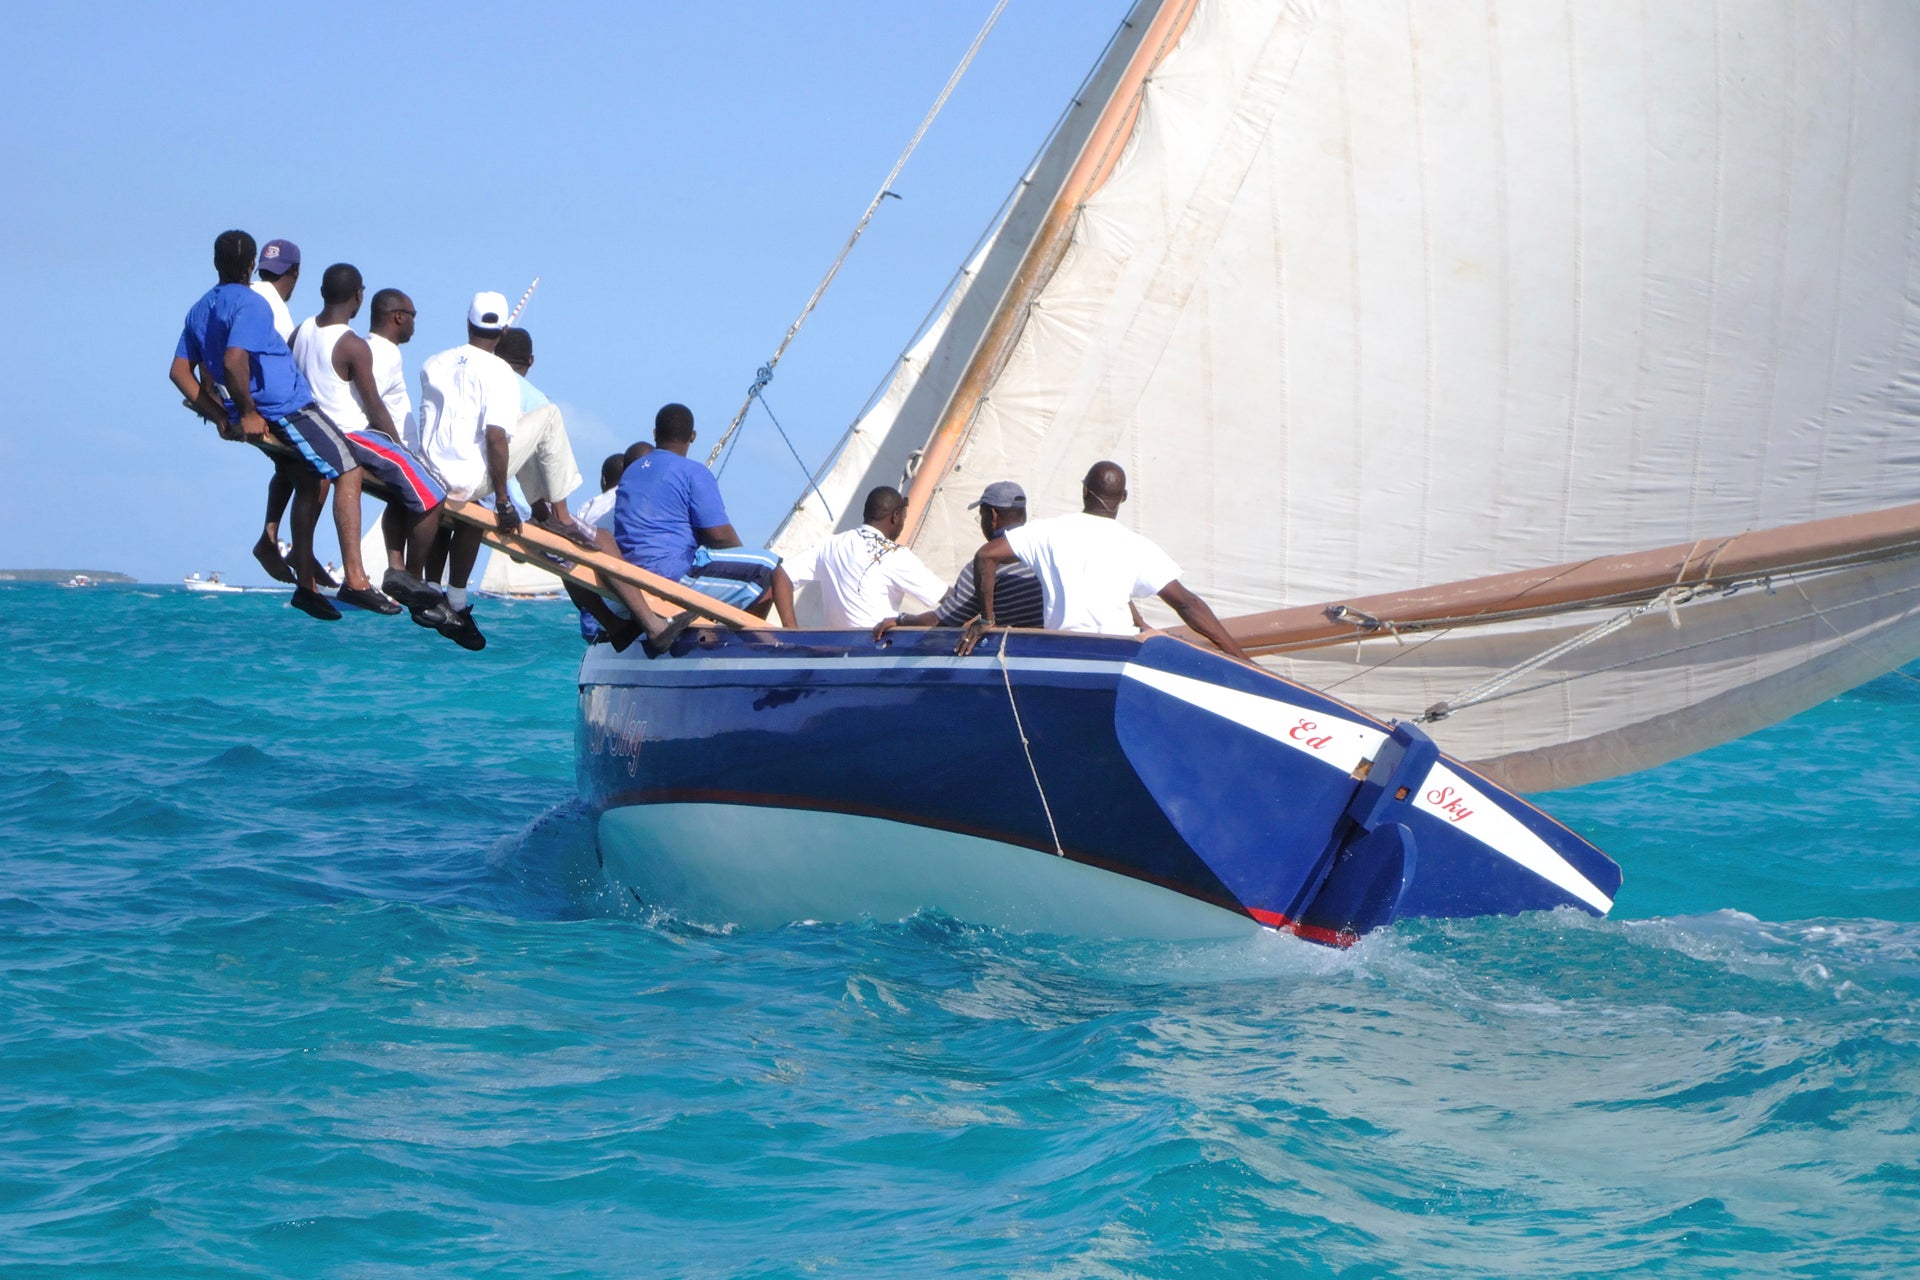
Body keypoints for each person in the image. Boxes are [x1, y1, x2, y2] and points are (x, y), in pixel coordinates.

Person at [167, 229, 379, 621]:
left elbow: (180, 372)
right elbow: (234, 360)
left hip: (262, 408)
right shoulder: (252, 304)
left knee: (310, 477)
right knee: (348, 465)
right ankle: (356, 579)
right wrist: (247, 412)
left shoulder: (199, 308)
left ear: (216, 263)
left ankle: (306, 588)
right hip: (286, 408)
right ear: (251, 266)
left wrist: (219, 415)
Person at [288, 263, 454, 624]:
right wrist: (398, 447)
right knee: (432, 493)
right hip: (352, 434)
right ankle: (407, 576)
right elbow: (374, 406)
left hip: (310, 428)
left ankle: (317, 579)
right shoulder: (352, 344)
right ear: (358, 297)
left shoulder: (300, 331)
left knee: (400, 489)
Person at [960, 461, 1250, 660]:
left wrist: (987, 619)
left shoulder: (1046, 532)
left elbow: (986, 555)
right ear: (1123, 497)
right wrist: (1240, 658)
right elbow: (1188, 603)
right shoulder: (1137, 546)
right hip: (1119, 650)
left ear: (1084, 491)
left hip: (1061, 648)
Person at [612, 403, 796, 625]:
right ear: (693, 436)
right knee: (771, 567)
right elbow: (719, 534)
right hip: (671, 571)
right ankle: (790, 638)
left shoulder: (631, 471)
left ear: (654, 434)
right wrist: (741, 555)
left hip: (630, 572)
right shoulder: (693, 472)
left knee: (757, 581)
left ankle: (741, 640)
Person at [246, 238, 330, 587]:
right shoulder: (276, 307)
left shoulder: (249, 292)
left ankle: (272, 539)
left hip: (244, 398)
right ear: (294, 273)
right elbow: (284, 361)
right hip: (267, 402)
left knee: (291, 463)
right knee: (324, 466)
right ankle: (298, 547)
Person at [870, 480, 1044, 641]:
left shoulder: (986, 565)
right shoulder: (1047, 552)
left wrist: (901, 619)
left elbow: (940, 621)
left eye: (981, 516)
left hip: (1017, 652)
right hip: (1058, 644)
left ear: (993, 516)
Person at [491, 327, 597, 549]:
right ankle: (562, 516)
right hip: (520, 507)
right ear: (531, 360)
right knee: (605, 541)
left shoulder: (482, 383)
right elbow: (546, 466)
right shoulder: (538, 401)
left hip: (480, 490)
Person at [786, 486, 946, 630]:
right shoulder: (896, 556)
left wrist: (790, 632)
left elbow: (781, 575)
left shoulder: (830, 544)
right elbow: (951, 599)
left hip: (834, 649)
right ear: (895, 517)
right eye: (904, 517)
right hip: (873, 648)